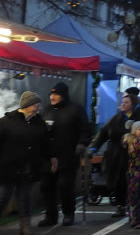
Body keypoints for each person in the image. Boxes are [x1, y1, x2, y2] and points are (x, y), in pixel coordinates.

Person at [0, 91, 57, 235]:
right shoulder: (6, 121)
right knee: (1, 198)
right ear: (26, 104)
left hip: (29, 168)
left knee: (25, 199)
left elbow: (45, 144)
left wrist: (52, 157)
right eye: (35, 104)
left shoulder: (39, 122)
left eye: (38, 104)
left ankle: (25, 227)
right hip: (8, 167)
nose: (37, 107)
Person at [90, 92, 140, 218]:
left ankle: (137, 207)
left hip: (136, 157)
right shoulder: (117, 118)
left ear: (133, 104)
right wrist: (94, 146)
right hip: (117, 155)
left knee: (135, 183)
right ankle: (121, 205)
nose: (123, 104)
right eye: (122, 102)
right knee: (118, 180)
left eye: (126, 102)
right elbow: (104, 132)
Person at [38, 82, 90, 227]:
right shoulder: (46, 110)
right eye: (51, 94)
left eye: (56, 94)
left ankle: (68, 213)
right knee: (46, 186)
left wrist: (82, 143)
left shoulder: (75, 109)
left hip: (67, 155)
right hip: (48, 156)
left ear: (64, 95)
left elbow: (85, 129)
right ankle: (51, 215)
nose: (52, 97)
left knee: (64, 185)